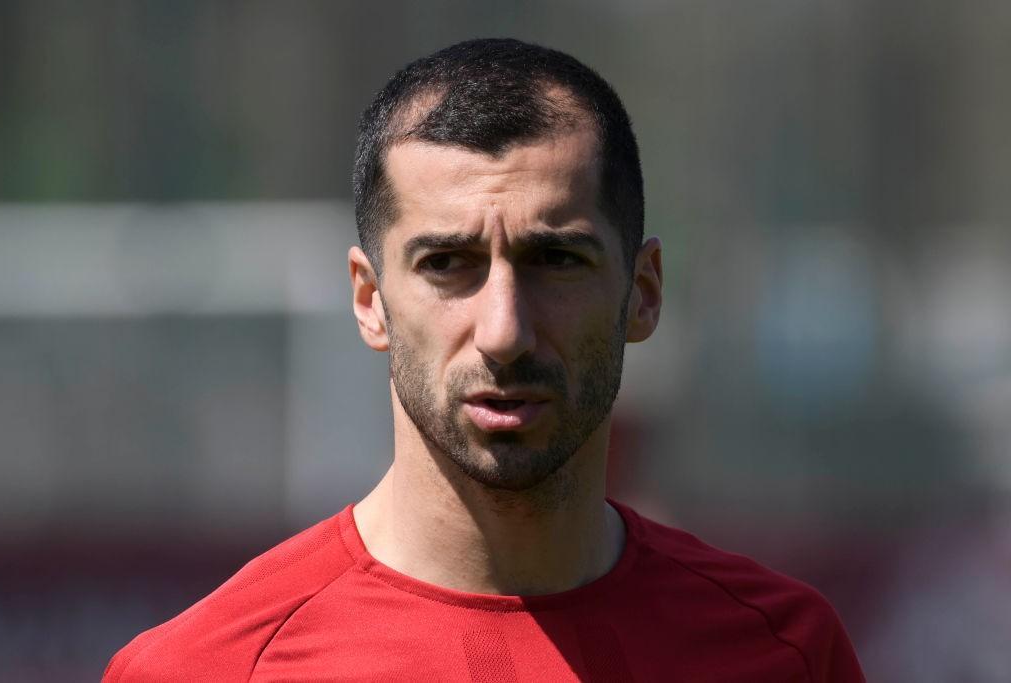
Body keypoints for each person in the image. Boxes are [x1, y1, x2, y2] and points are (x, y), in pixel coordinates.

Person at [104, 38, 864, 681]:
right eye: (446, 263)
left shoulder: (783, 652)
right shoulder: (205, 669)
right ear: (370, 299)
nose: (504, 331)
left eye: (557, 260)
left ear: (643, 291)